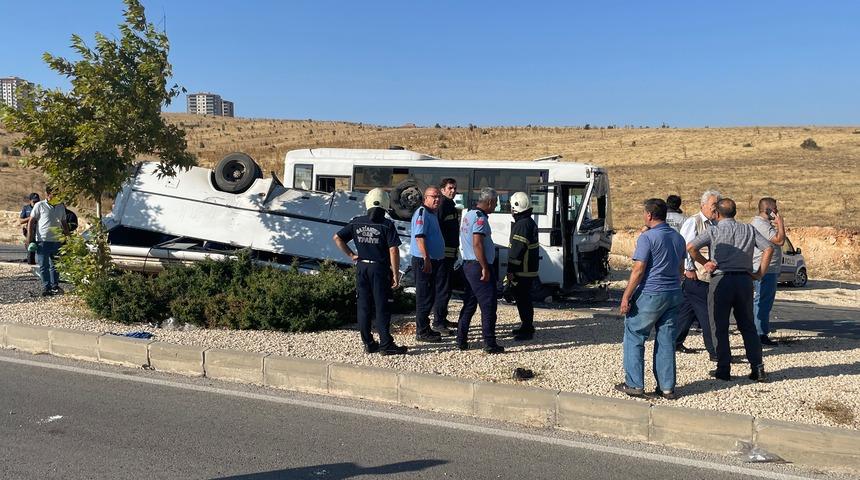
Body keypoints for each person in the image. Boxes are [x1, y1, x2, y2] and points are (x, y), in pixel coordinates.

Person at [688, 198, 774, 382]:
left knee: (719, 325)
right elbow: (768, 249)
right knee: (748, 325)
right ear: (735, 212)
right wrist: (759, 273)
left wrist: (705, 263)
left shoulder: (713, 230)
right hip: (744, 280)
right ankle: (758, 368)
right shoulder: (749, 229)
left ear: (717, 213)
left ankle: (724, 368)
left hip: (721, 280)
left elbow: (691, 247)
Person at [617, 199, 686, 399]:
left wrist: (626, 296)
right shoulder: (678, 238)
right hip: (673, 293)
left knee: (634, 334)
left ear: (649, 215)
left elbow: (638, 270)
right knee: (666, 340)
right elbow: (681, 269)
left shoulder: (647, 238)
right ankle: (667, 387)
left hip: (651, 292)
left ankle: (634, 384)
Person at [333, 188, 407, 356]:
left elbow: (337, 238)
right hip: (379, 269)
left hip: (362, 267)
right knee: (382, 306)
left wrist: (351, 255)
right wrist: (396, 274)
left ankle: (368, 343)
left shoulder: (356, 222)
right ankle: (386, 344)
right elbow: (393, 250)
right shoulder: (387, 224)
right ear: (386, 204)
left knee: (363, 306)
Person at [457, 187, 504, 354]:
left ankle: (461, 339)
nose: (496, 206)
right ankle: (489, 343)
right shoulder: (480, 218)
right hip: (478, 266)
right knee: (488, 305)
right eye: (495, 202)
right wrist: (485, 267)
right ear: (489, 202)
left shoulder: (469, 215)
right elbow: (477, 243)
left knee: (470, 303)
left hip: (468, 265)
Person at [675, 190, 721, 359]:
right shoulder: (694, 222)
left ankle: (674, 341)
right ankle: (715, 351)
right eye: (713, 205)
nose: (715, 208)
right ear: (703, 205)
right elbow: (685, 246)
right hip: (697, 276)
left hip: (705, 276)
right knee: (708, 315)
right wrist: (688, 269)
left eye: (717, 205)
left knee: (686, 312)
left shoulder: (715, 223)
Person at [410, 186, 448, 341]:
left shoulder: (432, 213)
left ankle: (426, 327)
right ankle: (422, 331)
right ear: (425, 198)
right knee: (424, 296)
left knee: (430, 296)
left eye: (439, 197)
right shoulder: (422, 212)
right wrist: (426, 258)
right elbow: (420, 237)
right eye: (434, 196)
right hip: (424, 261)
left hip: (433, 260)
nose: (437, 199)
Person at [751, 197, 786, 346]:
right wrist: (781, 223)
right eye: (775, 209)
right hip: (765, 268)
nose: (777, 211)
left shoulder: (762, 224)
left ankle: (757, 331)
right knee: (763, 301)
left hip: (767, 268)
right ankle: (760, 333)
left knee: (762, 300)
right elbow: (780, 240)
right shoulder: (761, 224)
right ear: (768, 210)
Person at [507, 191, 540, 341]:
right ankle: (526, 326)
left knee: (523, 300)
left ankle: (527, 329)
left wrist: (511, 271)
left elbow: (517, 251)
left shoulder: (522, 225)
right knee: (524, 299)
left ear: (516, 207)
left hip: (522, 271)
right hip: (528, 270)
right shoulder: (528, 222)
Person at [27, 186, 69, 296]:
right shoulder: (39, 205)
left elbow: (64, 222)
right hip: (43, 240)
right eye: (54, 193)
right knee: (44, 266)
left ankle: (55, 286)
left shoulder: (61, 206)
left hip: (57, 241)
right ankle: (47, 287)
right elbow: (31, 221)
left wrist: (68, 237)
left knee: (56, 265)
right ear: (48, 194)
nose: (56, 196)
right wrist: (29, 238)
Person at [436, 178, 460, 330]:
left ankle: (443, 319)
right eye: (450, 188)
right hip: (443, 256)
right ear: (442, 190)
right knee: (443, 289)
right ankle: (438, 323)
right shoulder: (443, 206)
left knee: (447, 289)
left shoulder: (451, 206)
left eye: (455, 188)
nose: (453, 191)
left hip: (450, 255)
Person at [19, 192, 40, 265]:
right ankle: (31, 264)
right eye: (34, 201)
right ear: (30, 201)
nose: (36, 203)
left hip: (40, 231)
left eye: (37, 201)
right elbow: (21, 221)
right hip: (30, 231)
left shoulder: (41, 207)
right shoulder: (26, 208)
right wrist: (31, 218)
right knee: (31, 249)